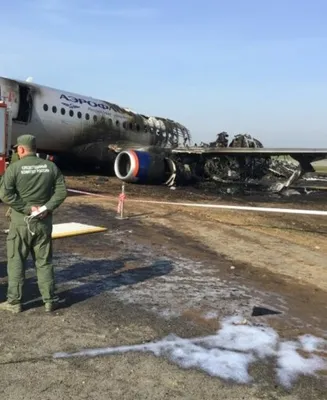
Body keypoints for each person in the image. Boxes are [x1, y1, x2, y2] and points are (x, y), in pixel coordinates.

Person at [0, 134, 67, 313]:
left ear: (21, 149)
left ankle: (14, 302)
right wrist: (46, 207)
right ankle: (50, 300)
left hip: (21, 224)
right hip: (43, 223)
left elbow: (5, 195)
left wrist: (27, 208)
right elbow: (61, 192)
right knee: (44, 262)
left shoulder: (14, 169)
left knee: (16, 262)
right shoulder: (50, 167)